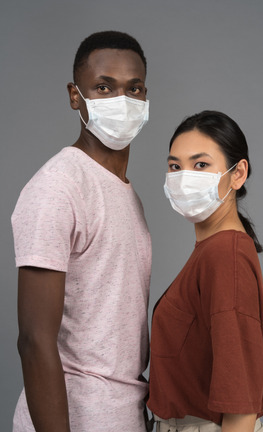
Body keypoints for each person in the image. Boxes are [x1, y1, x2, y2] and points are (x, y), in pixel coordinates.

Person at [11, 31, 152, 432]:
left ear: (145, 98)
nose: (121, 101)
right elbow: (34, 340)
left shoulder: (128, 196)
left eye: (133, 89)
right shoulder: (58, 186)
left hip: (125, 414)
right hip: (75, 419)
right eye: (104, 87)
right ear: (76, 96)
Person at [147, 111, 263, 432]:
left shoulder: (225, 255)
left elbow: (241, 400)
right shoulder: (215, 251)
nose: (183, 176)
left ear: (237, 174)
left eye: (200, 164)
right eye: (175, 166)